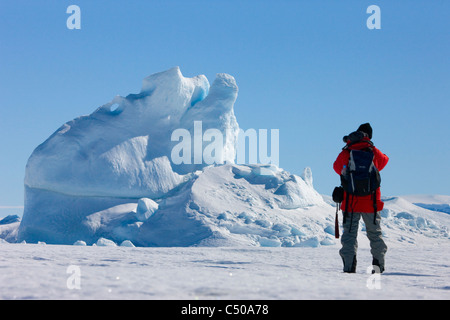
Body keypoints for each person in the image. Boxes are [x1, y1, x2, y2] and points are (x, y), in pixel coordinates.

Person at [333, 123, 389, 273]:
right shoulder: (372, 151)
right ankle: (378, 268)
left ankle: (349, 268)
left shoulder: (348, 151)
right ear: (369, 135)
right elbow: (384, 161)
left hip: (351, 202)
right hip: (371, 203)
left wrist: (350, 145)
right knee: (375, 235)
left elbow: (337, 167)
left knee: (349, 236)